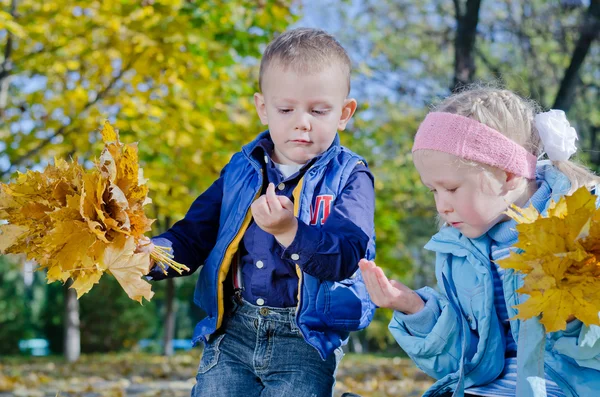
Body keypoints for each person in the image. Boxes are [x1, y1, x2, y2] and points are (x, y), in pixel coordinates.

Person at [140, 27, 376, 397]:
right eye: (286, 109)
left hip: (305, 338)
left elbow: (348, 254)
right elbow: (194, 234)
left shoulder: (350, 176)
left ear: (344, 113)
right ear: (263, 108)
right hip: (234, 328)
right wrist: (151, 255)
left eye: (319, 110)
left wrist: (289, 231)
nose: (302, 121)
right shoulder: (241, 169)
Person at [359, 87, 600, 397]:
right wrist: (415, 309)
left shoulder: (582, 225)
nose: (441, 206)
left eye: (451, 188)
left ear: (508, 175)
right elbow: (465, 361)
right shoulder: (460, 251)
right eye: (433, 191)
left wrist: (571, 319)